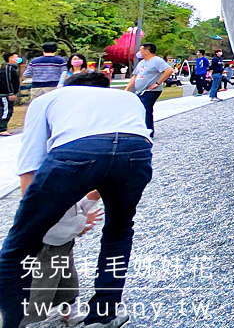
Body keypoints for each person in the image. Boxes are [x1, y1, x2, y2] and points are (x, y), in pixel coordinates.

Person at [0, 71, 152, 328]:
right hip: (135, 152)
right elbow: (112, 159)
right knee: (119, 230)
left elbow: (30, 163)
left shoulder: (50, 98)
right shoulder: (129, 99)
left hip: (77, 150)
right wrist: (89, 199)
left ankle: (13, 322)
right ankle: (102, 317)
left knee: (15, 249)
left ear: (67, 85)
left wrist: (33, 219)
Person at [23, 191, 103, 326]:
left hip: (62, 240)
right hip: (49, 242)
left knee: (68, 279)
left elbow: (71, 205)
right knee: (42, 286)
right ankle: (25, 321)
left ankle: (70, 311)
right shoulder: (40, 176)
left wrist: (89, 201)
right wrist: (80, 224)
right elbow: (43, 212)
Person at [124, 43, 173, 138]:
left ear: (147, 51)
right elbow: (135, 76)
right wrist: (127, 88)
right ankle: (139, 130)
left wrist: (157, 83)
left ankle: (148, 132)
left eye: (141, 50)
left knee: (146, 108)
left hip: (151, 90)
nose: (139, 52)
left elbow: (169, 70)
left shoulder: (157, 61)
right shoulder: (141, 63)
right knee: (138, 109)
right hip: (140, 90)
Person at [1, 52, 21, 136]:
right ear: (11, 58)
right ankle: (2, 128)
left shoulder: (12, 68)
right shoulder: (8, 68)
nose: (18, 59)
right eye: (16, 57)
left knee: (8, 110)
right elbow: (7, 81)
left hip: (8, 93)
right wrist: (10, 93)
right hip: (5, 94)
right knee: (6, 111)